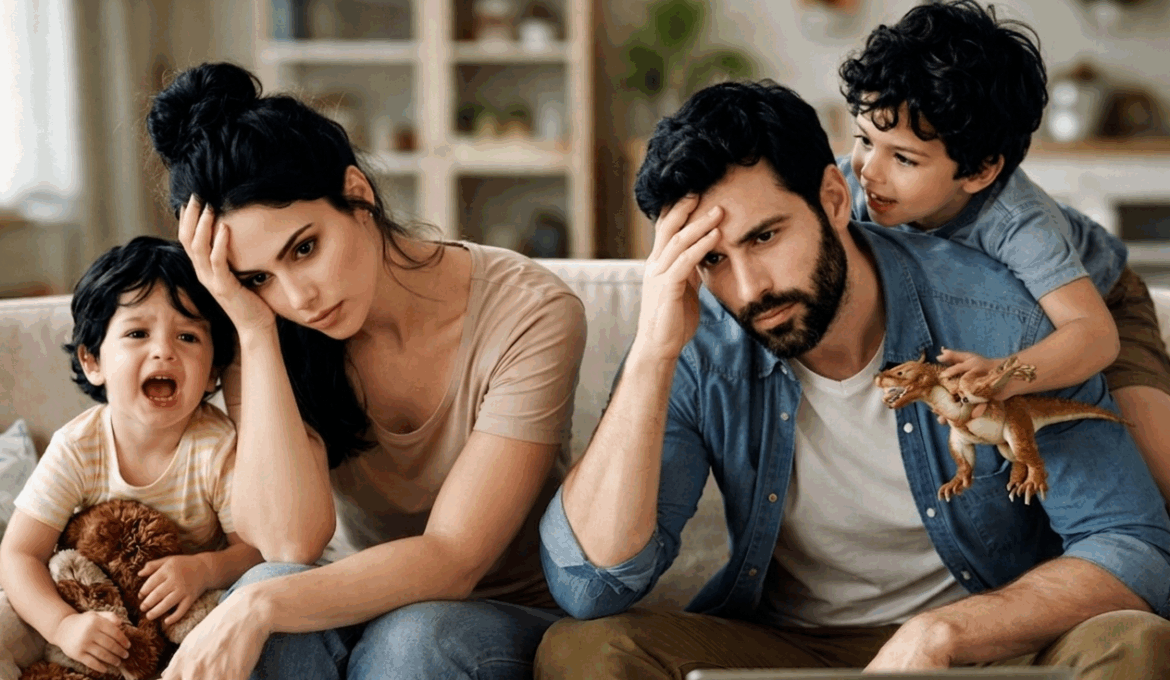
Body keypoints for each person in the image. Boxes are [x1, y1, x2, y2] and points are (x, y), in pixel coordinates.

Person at [534, 80, 1170, 678]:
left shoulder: (1000, 317)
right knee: (587, 650)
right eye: (714, 260)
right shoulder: (694, 340)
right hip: (787, 649)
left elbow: (1130, 544)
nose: (752, 290)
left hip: (986, 648)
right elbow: (590, 587)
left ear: (834, 199)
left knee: (1136, 642)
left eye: (766, 236)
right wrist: (651, 352)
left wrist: (942, 634)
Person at [145, 62, 586, 680]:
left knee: (405, 635)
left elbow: (454, 558)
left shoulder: (531, 311)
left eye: (304, 248)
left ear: (358, 193)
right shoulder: (267, 325)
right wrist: (252, 330)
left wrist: (257, 604)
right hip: (356, 599)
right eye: (257, 277)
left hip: (498, 614)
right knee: (273, 588)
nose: (298, 297)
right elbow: (290, 544)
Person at [837, 0, 1170, 505]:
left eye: (904, 158)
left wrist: (1003, 373)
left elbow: (1095, 336)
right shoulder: (856, 183)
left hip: (1101, 307)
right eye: (865, 139)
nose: (869, 171)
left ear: (980, 171)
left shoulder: (1018, 222)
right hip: (984, 318)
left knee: (1158, 470)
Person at [0, 236, 261, 676]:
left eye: (188, 336)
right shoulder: (79, 447)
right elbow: (19, 555)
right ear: (92, 361)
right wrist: (63, 626)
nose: (164, 350)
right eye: (138, 333)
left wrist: (205, 569)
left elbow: (255, 551)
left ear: (214, 370)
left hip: (185, 624)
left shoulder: (216, 447)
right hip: (96, 615)